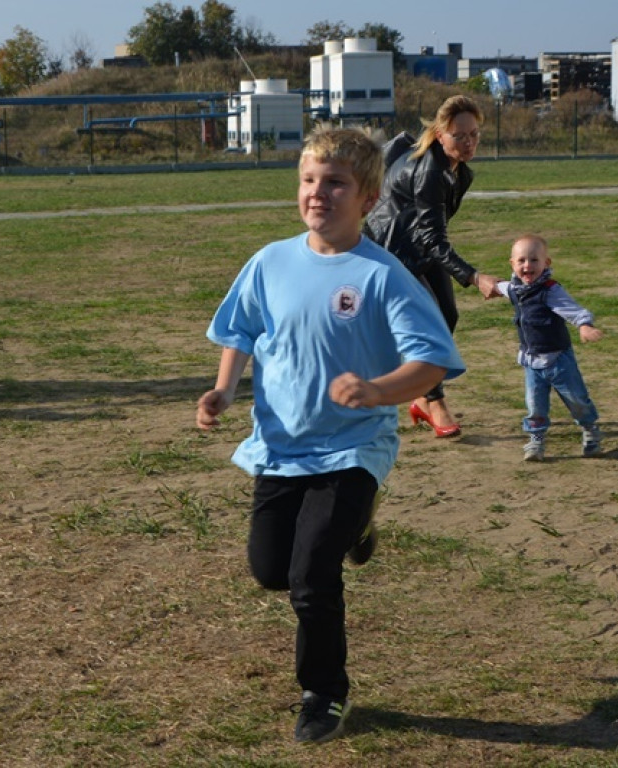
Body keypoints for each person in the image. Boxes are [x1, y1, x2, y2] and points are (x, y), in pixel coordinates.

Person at [195, 127, 464, 744]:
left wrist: (377, 391)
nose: (318, 193)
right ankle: (360, 525)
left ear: (368, 199)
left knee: (313, 573)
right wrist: (226, 390)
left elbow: (430, 361)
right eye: (309, 180)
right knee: (272, 571)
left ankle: (324, 694)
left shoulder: (383, 275)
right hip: (282, 445)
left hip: (353, 447)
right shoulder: (271, 261)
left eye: (336, 183)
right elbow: (241, 329)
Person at [363, 95, 501, 438]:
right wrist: (474, 276)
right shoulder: (431, 171)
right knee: (427, 321)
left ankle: (420, 392)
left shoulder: (458, 171)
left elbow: (432, 233)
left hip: (419, 247)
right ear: (440, 135)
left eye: (474, 135)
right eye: (459, 136)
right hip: (392, 251)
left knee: (448, 317)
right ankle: (431, 400)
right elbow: (432, 238)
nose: (468, 143)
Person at [495, 234, 604, 461]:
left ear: (546, 263)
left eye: (534, 260)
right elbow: (501, 287)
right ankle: (536, 440)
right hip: (531, 361)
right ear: (512, 264)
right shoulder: (515, 289)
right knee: (534, 404)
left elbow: (571, 309)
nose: (527, 265)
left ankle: (589, 428)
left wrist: (584, 325)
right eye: (522, 260)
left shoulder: (550, 290)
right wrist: (485, 283)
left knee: (577, 399)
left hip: (558, 359)